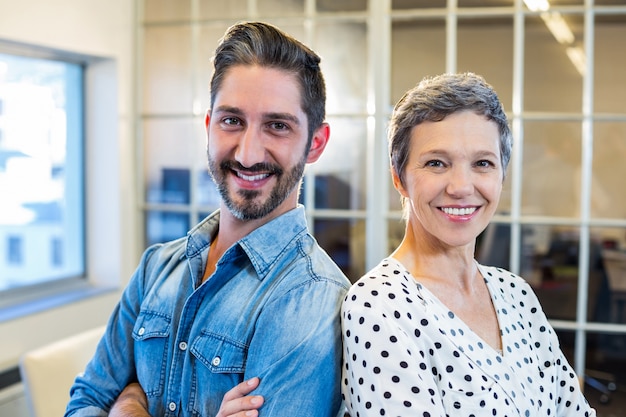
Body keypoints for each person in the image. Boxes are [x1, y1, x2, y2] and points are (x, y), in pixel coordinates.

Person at [65, 21, 350, 417]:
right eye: (232, 120)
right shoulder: (157, 266)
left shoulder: (311, 298)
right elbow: (84, 403)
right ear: (209, 126)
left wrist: (127, 404)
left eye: (277, 126)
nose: (248, 153)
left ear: (315, 143)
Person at [341, 72, 596, 416]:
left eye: (482, 164)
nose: (461, 186)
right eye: (436, 163)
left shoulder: (515, 293)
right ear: (399, 178)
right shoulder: (378, 307)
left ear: (500, 176)